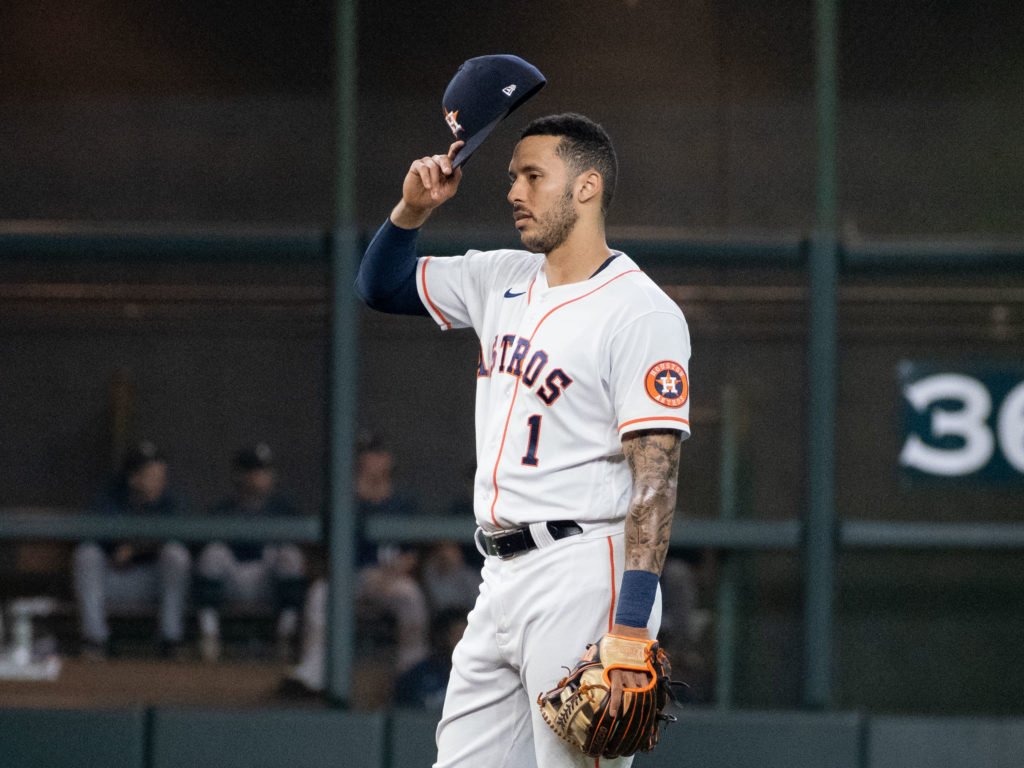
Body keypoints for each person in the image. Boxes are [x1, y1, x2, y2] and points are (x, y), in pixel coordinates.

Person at [355, 111, 691, 768]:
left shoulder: (641, 312)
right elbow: (381, 286)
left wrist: (628, 626)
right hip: (500, 575)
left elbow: (655, 481)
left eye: (534, 176)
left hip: (584, 571)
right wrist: (410, 209)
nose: (514, 192)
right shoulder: (497, 276)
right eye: (512, 177)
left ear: (587, 186)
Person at [72, 440, 192, 659]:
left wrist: (135, 548)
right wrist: (120, 547)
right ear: (133, 478)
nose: (160, 482)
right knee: (87, 554)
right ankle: (94, 640)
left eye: (161, 475)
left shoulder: (170, 500)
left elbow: (180, 535)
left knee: (176, 555)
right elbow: (93, 534)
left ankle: (171, 638)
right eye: (152, 476)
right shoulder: (108, 495)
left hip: (152, 582)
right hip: (114, 580)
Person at [194, 443, 307, 662]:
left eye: (265, 471)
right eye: (255, 471)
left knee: (290, 554)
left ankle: (286, 635)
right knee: (213, 553)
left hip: (269, 582)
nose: (261, 477)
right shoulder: (223, 510)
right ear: (240, 475)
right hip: (232, 581)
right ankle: (208, 635)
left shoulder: (284, 510)